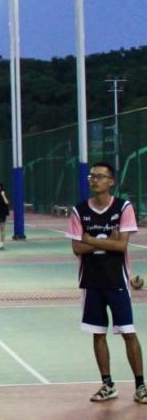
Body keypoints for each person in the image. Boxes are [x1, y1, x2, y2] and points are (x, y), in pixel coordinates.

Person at [67, 161, 147, 404]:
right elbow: (76, 248)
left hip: (117, 280)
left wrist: (91, 240)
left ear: (111, 181)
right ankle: (107, 384)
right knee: (98, 334)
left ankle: (141, 386)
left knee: (128, 333)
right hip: (91, 282)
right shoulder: (79, 211)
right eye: (92, 176)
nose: (95, 180)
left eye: (100, 176)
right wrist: (105, 242)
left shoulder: (123, 207)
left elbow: (121, 245)